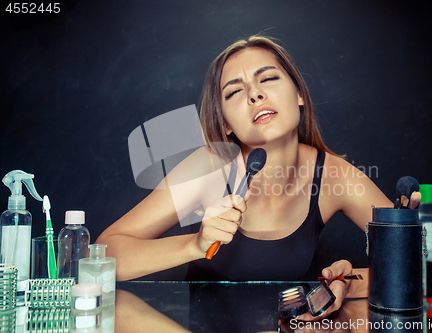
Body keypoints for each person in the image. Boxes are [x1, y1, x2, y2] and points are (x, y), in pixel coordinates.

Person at [96, 35, 393, 320]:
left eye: (268, 78)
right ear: (225, 123)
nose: (254, 94)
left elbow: (418, 257)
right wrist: (195, 245)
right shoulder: (210, 167)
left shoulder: (334, 175)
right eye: (235, 91)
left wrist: (348, 283)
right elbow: (103, 257)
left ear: (299, 93)